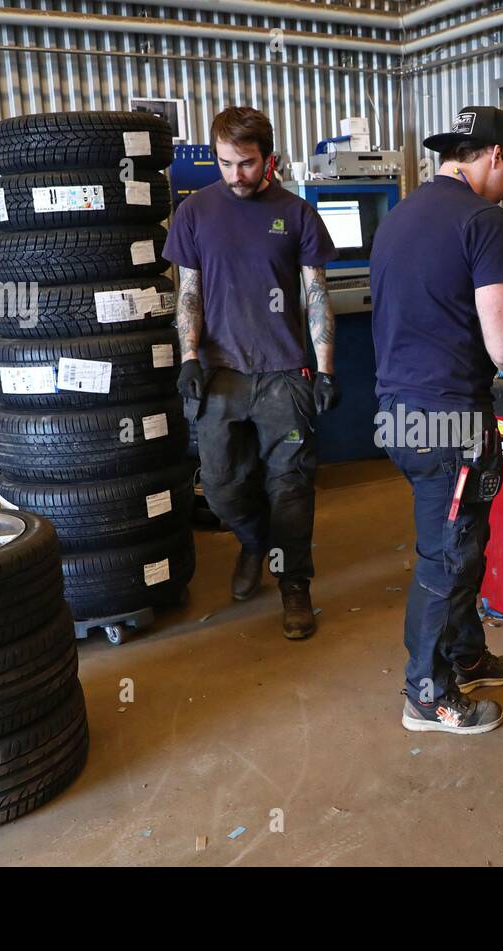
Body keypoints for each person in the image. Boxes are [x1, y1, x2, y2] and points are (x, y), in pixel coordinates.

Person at [371, 106, 503, 734]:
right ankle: (428, 697)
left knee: (459, 547)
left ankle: (466, 655)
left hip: (397, 413)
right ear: (495, 157)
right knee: (446, 558)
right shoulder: (484, 221)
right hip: (447, 420)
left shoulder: (400, 217)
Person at [165, 106, 339, 641]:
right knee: (220, 487)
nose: (236, 175)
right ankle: (254, 541)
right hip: (221, 375)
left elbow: (315, 295)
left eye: (246, 163)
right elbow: (188, 292)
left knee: (291, 487)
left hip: (285, 374)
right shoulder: (195, 213)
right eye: (225, 163)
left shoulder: (297, 213)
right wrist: (189, 356)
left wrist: (325, 369)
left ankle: (294, 588)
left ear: (269, 158)